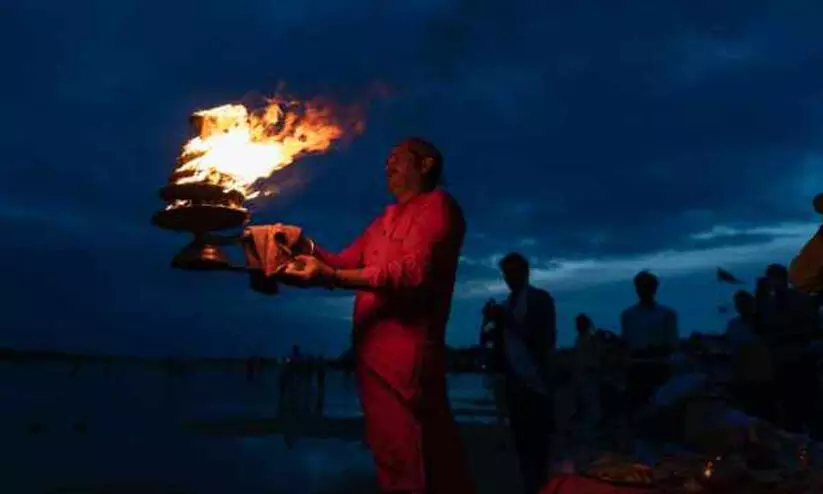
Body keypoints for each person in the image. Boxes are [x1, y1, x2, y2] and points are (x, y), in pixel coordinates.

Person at [251, 138, 474, 494]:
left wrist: (332, 277)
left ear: (427, 164)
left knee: (417, 460)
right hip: (371, 359)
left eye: (396, 158)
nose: (388, 166)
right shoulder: (383, 220)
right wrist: (297, 244)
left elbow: (412, 274)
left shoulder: (439, 207)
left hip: (408, 362)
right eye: (385, 160)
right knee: (393, 458)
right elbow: (340, 263)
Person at [495, 252, 556, 494]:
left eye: (514, 272)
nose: (510, 278)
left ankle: (542, 487)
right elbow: (501, 345)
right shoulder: (507, 304)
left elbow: (545, 339)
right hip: (514, 383)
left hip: (536, 383)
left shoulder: (540, 300)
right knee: (522, 445)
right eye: (506, 273)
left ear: (525, 272)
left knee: (539, 446)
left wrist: (507, 321)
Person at [620, 271, 678, 419]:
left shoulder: (666, 314)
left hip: (659, 364)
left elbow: (672, 343)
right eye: (641, 286)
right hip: (637, 366)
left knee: (661, 409)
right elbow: (626, 342)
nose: (644, 290)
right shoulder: (628, 315)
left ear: (654, 289)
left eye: (647, 286)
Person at [571, 313, 602, 463]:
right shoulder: (586, 340)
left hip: (584, 380)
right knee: (592, 411)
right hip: (586, 380)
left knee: (589, 411)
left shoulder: (584, 340)